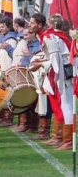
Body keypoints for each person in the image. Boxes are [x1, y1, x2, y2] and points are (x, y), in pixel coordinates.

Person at [29, 13, 73, 150]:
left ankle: (68, 140)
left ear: (40, 25)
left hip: (63, 74)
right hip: (58, 73)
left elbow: (56, 61)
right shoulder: (48, 36)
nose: (29, 25)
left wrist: (40, 64)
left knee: (66, 106)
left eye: (32, 23)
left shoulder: (49, 38)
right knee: (58, 105)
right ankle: (58, 136)